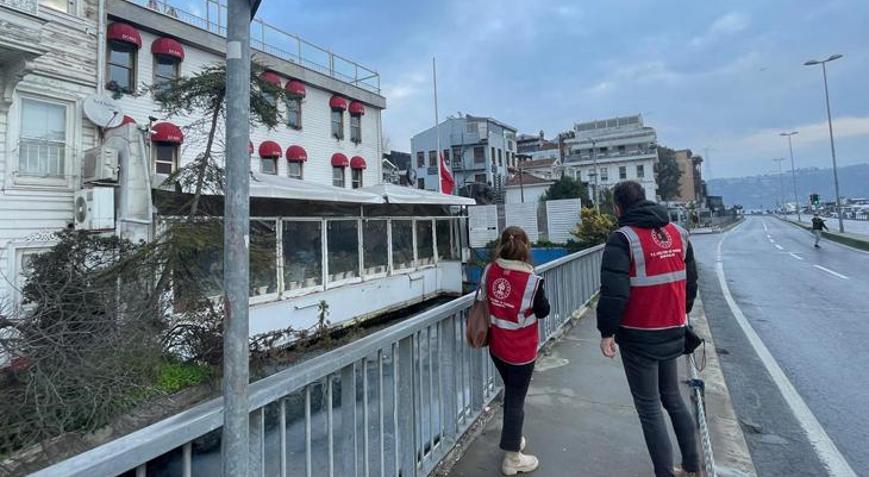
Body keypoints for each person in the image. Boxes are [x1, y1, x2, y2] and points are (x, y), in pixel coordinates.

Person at [597, 181, 700, 477]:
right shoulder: (677, 233)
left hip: (639, 334)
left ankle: (665, 473)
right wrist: (680, 313)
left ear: (618, 207)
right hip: (673, 328)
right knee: (672, 397)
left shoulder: (622, 239)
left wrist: (607, 332)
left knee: (649, 406)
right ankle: (692, 466)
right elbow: (690, 281)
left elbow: (614, 292)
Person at [479, 226, 550, 475]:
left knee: (511, 394)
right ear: (526, 247)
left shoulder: (490, 270)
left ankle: (513, 438)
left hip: (496, 347)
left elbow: (484, 299)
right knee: (515, 400)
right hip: (520, 351)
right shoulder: (531, 280)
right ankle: (512, 458)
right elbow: (543, 311)